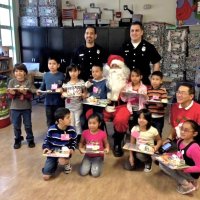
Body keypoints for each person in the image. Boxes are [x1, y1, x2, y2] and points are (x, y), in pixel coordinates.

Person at [159, 120, 200, 195]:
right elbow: (180, 153)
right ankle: (191, 181)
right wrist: (167, 156)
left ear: (195, 133)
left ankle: (186, 184)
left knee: (162, 165)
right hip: (182, 165)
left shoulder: (194, 148)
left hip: (190, 172)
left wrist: (185, 169)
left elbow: (199, 167)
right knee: (161, 162)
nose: (182, 132)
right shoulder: (179, 141)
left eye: (186, 130)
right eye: (182, 129)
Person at [103, 55, 130, 157]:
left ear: (122, 69)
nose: (114, 69)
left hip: (121, 106)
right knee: (92, 114)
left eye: (117, 67)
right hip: (105, 105)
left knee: (121, 120)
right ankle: (97, 140)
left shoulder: (127, 81)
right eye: (112, 66)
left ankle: (117, 143)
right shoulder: (104, 80)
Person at [121, 21, 161, 85]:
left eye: (137, 30)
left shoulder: (149, 46)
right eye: (132, 30)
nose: (134, 33)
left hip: (144, 82)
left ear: (142, 32)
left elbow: (156, 62)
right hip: (127, 81)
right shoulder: (124, 46)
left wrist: (154, 77)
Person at [42, 108, 77, 180]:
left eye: (69, 117)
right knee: (46, 177)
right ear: (60, 121)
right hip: (53, 152)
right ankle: (55, 162)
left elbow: (74, 141)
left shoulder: (71, 130)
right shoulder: (51, 129)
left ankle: (66, 162)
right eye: (68, 117)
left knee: (62, 161)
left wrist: (72, 148)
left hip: (65, 152)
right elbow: (47, 140)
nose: (70, 119)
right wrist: (45, 147)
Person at [7, 63, 36, 149]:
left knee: (28, 125)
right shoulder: (11, 82)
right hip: (15, 108)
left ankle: (30, 139)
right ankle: (18, 139)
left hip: (26, 107)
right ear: (14, 73)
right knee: (16, 125)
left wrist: (25, 93)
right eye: (16, 71)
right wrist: (12, 93)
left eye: (21, 71)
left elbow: (31, 96)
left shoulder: (28, 82)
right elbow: (10, 96)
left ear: (25, 73)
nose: (18, 73)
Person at [79, 113, 109, 177]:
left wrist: (107, 148)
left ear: (99, 124)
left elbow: (106, 143)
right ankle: (89, 164)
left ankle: (98, 163)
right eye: (89, 123)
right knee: (83, 173)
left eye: (94, 123)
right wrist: (80, 148)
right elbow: (81, 143)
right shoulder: (85, 133)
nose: (91, 125)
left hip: (98, 156)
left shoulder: (102, 133)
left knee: (95, 174)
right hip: (88, 155)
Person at [37, 57, 65, 127]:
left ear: (58, 65)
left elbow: (65, 87)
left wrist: (62, 90)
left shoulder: (62, 75)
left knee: (60, 119)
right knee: (49, 120)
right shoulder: (46, 75)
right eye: (49, 63)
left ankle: (59, 133)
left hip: (59, 102)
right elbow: (42, 86)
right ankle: (51, 134)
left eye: (54, 64)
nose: (51, 65)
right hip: (48, 102)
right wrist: (39, 90)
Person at [62, 64, 86, 138]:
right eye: (71, 71)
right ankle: (72, 136)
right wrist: (63, 94)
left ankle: (79, 136)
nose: (73, 73)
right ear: (68, 72)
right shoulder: (66, 83)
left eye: (75, 71)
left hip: (78, 106)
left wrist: (83, 95)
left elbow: (85, 92)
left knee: (77, 121)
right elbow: (63, 94)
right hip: (69, 107)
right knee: (71, 122)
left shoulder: (81, 82)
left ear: (79, 72)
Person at [146, 71, 168, 137]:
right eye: (153, 79)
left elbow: (165, 103)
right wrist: (146, 101)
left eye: (157, 79)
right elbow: (146, 103)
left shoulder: (162, 91)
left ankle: (157, 146)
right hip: (150, 117)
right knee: (149, 132)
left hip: (159, 117)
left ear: (161, 81)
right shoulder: (148, 91)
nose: (154, 81)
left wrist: (161, 104)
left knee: (158, 133)